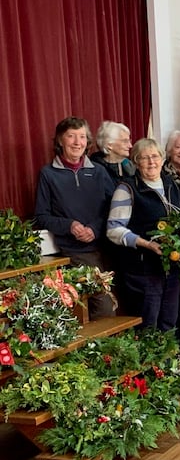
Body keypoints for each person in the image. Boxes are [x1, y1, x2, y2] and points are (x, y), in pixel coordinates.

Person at [34, 116, 116, 320]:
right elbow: (42, 216)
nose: (77, 142)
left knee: (119, 304)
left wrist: (95, 228)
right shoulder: (48, 174)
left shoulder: (99, 171)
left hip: (108, 247)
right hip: (77, 252)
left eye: (82, 137)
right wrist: (69, 225)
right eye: (71, 136)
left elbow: (114, 208)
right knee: (103, 308)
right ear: (60, 141)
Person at [106, 138, 180, 330]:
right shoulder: (127, 189)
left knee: (169, 320)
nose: (151, 162)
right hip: (143, 268)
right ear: (136, 162)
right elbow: (113, 229)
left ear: (163, 159)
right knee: (147, 323)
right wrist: (145, 244)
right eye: (144, 158)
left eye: (155, 156)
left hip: (171, 266)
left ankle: (167, 360)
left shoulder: (170, 184)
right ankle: (148, 361)